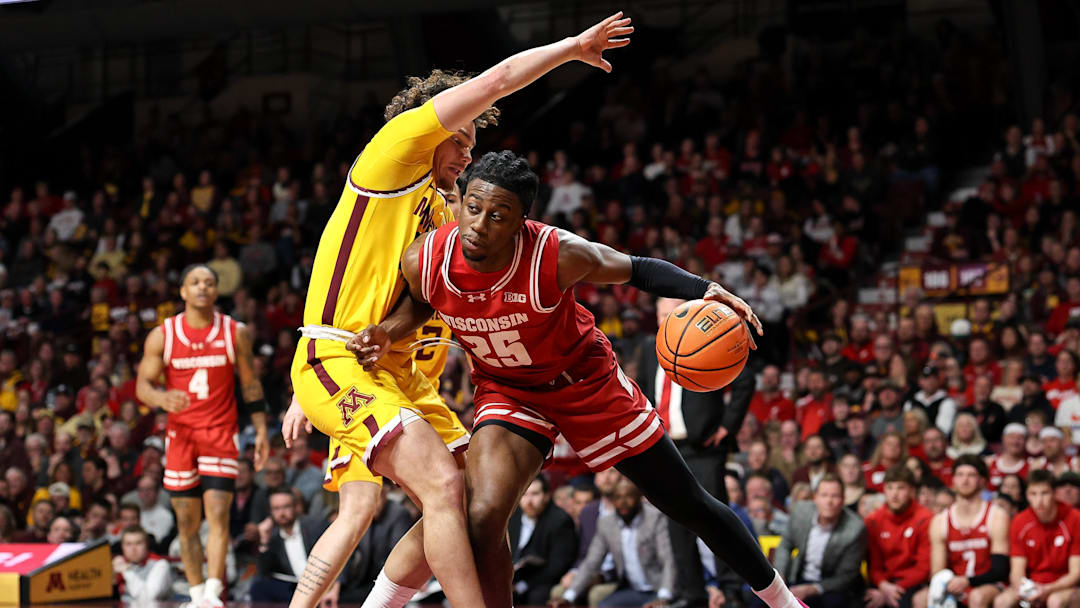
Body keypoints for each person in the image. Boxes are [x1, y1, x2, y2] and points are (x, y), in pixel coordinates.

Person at [281, 14, 637, 608]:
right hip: (340, 359)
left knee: (470, 494)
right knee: (420, 491)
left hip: (398, 375)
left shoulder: (447, 217)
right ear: (432, 124)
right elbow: (497, 79)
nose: (467, 151)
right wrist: (571, 48)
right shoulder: (390, 157)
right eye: (462, 137)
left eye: (473, 143)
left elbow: (415, 302)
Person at [357, 150, 805, 608]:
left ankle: (785, 602)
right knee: (482, 515)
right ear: (459, 202)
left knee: (686, 502)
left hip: (586, 384)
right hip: (509, 390)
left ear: (521, 223)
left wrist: (705, 288)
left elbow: (636, 268)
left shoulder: (557, 255)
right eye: (472, 207)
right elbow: (421, 302)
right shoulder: (425, 258)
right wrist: (387, 333)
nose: (479, 224)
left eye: (498, 216)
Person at [135, 263, 270, 608]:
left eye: (209, 283)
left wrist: (262, 429)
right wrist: (162, 398)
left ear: (216, 291)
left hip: (220, 432)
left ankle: (213, 592)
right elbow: (142, 386)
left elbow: (250, 383)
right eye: (194, 282)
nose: (202, 288)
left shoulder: (234, 332)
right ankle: (196, 596)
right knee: (186, 519)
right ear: (182, 291)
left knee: (218, 514)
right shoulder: (163, 334)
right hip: (181, 437)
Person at [637, 296, 755, 605]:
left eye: (671, 313)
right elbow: (638, 390)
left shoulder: (706, 340)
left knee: (715, 520)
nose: (665, 320)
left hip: (703, 448)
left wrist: (728, 425)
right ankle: (693, 595)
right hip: (664, 447)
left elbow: (744, 379)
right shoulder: (651, 349)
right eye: (661, 314)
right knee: (677, 523)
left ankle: (731, 593)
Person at [558, 478, 677, 607]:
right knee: (604, 606)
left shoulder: (655, 518)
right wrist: (569, 597)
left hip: (659, 588)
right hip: (632, 590)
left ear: (639, 498)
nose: (623, 502)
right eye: (618, 497)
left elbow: (668, 559)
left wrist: (664, 597)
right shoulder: (606, 523)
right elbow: (591, 562)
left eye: (628, 496)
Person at [773, 474, 867, 608]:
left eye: (835, 496)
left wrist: (812, 589)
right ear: (815, 497)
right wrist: (780, 576)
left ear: (843, 500)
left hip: (832, 585)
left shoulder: (855, 528)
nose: (829, 501)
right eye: (824, 495)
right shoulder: (800, 511)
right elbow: (785, 545)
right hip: (799, 576)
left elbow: (846, 576)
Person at [927, 455, 1009, 608]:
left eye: (971, 475)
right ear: (953, 480)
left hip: (989, 584)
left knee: (977, 597)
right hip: (955, 584)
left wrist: (968, 582)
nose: (965, 480)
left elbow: (1000, 570)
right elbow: (937, 571)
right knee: (921, 598)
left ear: (982, 481)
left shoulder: (996, 516)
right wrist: (949, 584)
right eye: (960, 475)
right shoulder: (940, 521)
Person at [994, 469, 1080, 608]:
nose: (1039, 501)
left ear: (1054, 493)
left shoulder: (1075, 518)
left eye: (1044, 493)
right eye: (1033, 494)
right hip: (1032, 584)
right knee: (1002, 601)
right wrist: (1026, 590)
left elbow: (1076, 573)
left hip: (1064, 586)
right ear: (1026, 495)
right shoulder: (1020, 521)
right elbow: (1017, 571)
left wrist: (1047, 590)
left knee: (1055, 601)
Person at [251, 488, 338, 603]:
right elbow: (263, 572)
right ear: (271, 512)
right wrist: (264, 540)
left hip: (323, 584)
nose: (281, 513)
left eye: (286, 507)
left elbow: (337, 555)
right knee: (258, 587)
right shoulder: (273, 537)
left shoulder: (314, 526)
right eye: (276, 509)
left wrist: (335, 586)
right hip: (295, 588)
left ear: (296, 507)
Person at [863, 465, 933, 608]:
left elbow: (924, 567)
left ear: (912, 491)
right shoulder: (873, 521)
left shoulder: (926, 518)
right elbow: (874, 566)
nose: (894, 494)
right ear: (884, 490)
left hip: (912, 583)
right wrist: (884, 586)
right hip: (882, 583)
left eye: (901, 488)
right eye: (890, 488)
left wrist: (894, 588)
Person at [508, 474, 577, 605]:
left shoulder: (560, 520)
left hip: (545, 579)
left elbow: (558, 564)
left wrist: (522, 585)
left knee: (536, 596)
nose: (529, 501)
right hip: (514, 577)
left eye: (535, 494)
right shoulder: (513, 516)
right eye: (524, 494)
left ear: (546, 496)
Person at [114, 525, 174, 603]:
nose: (133, 549)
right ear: (122, 546)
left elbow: (148, 597)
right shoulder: (119, 563)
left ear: (146, 545)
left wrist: (127, 571)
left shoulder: (160, 564)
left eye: (138, 543)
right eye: (128, 544)